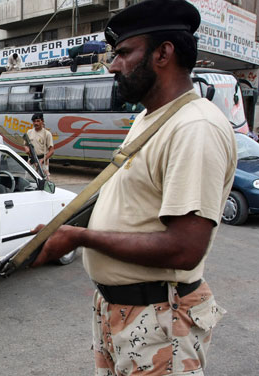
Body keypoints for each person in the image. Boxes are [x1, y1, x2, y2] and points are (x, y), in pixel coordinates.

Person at [31, 1, 236, 374]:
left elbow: (184, 250)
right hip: (122, 312)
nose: (113, 65)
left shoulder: (194, 128)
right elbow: (129, 202)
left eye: (124, 53)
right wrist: (58, 228)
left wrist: (80, 238)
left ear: (163, 53)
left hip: (159, 320)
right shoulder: (149, 117)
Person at [24, 113, 54, 177]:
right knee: (29, 180)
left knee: (43, 181)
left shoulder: (47, 134)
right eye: (34, 121)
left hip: (42, 162)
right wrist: (26, 148)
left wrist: (42, 160)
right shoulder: (29, 132)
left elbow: (51, 151)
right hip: (31, 159)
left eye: (38, 121)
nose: (36, 123)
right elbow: (25, 144)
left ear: (42, 121)